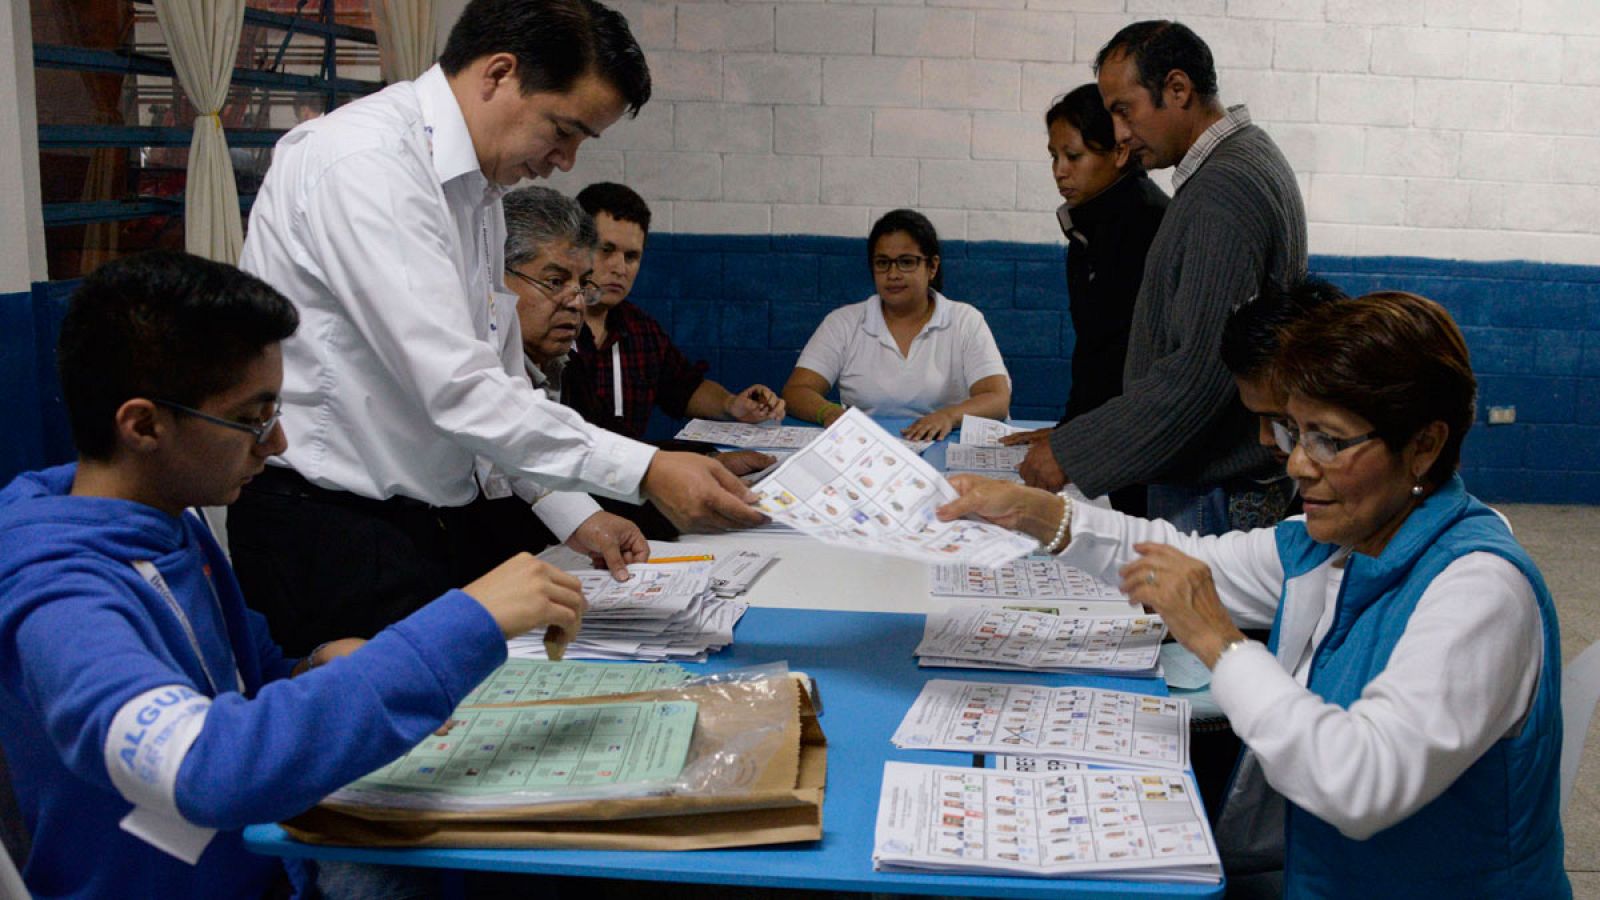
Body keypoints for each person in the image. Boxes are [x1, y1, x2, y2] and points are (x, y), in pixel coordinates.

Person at [937, 292, 1569, 897]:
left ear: (1424, 446)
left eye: (1330, 440)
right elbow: (1186, 558)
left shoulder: (1478, 590)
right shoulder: (1335, 541)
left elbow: (1362, 782)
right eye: (1295, 433)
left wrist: (1219, 641)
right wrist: (1037, 514)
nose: (1296, 464)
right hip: (1321, 873)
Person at [0, 251, 586, 899]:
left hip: (265, 862)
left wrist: (310, 669)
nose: (276, 445)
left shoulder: (167, 523)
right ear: (143, 425)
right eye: (252, 419)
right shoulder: (62, 597)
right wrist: (466, 622)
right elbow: (203, 764)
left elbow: (240, 685)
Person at [232, 0, 764, 657]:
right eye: (563, 130)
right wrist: (647, 468)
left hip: (416, 524)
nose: (565, 161)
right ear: (499, 74)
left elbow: (503, 385)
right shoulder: (366, 164)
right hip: (331, 527)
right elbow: (458, 392)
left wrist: (577, 513)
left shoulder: (476, 194)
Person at [1016, 20, 1308, 536]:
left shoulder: (1224, 188)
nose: (1122, 134)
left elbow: (1201, 370)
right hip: (1215, 477)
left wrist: (1075, 450)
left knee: (1192, 616)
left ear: (1177, 89)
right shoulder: (1243, 159)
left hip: (1212, 491)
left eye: (1124, 111)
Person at [1001, 83, 1168, 517]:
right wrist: (1068, 430)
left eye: (1073, 156)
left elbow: (1124, 358)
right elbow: (1092, 348)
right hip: (1112, 437)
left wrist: (1075, 442)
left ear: (1118, 152)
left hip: (1144, 444)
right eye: (1053, 157)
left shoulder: (1144, 224)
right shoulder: (1089, 223)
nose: (1059, 171)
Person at [572, 181, 785, 441]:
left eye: (631, 257)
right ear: (576, 247)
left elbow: (685, 388)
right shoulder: (548, 328)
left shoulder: (640, 330)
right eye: (606, 250)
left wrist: (731, 405)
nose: (620, 268)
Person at [782, 208, 1012, 441]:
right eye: (883, 263)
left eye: (906, 262)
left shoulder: (965, 320)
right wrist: (828, 412)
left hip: (945, 444)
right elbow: (797, 391)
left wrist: (948, 416)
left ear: (932, 267)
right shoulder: (843, 323)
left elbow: (997, 398)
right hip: (866, 449)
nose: (893, 274)